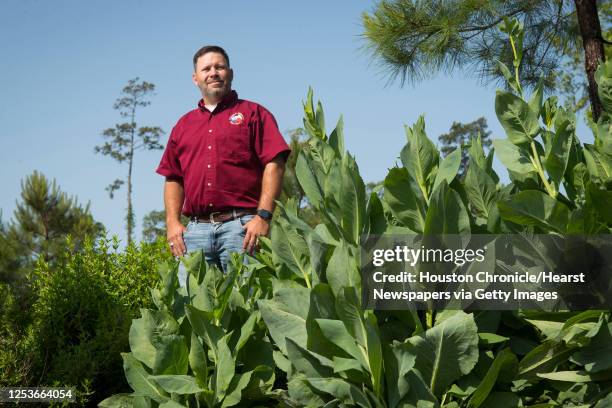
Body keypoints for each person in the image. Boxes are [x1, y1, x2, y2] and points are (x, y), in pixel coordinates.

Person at [156, 45, 290, 283]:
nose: (213, 72)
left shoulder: (254, 114)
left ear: (231, 73)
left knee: (248, 305)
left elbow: (275, 163)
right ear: (195, 78)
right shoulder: (183, 125)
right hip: (195, 232)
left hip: (243, 229)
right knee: (190, 305)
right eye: (206, 68)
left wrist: (263, 217)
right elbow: (173, 177)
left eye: (219, 66)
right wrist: (173, 223)